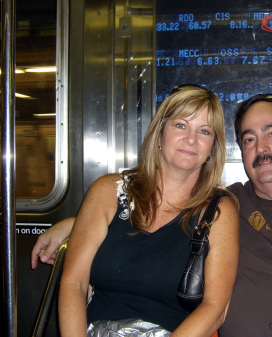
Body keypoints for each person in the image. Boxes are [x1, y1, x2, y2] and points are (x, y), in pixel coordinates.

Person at [32, 93, 272, 337]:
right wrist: (80, 221)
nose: (261, 146)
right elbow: (156, 210)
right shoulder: (228, 203)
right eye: (249, 139)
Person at [38, 85, 240, 337]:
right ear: (160, 132)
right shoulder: (107, 192)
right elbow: (73, 283)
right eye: (181, 125)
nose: (191, 139)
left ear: (213, 146)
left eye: (204, 131)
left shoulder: (219, 211)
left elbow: (214, 308)